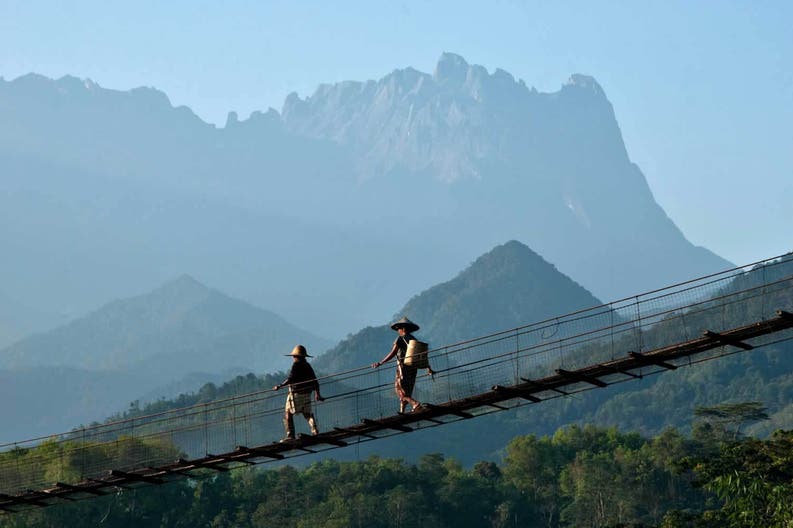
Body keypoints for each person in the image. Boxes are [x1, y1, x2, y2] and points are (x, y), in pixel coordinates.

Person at [372, 316, 434, 414]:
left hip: (403, 367)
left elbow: (392, 353)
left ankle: (415, 404)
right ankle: (402, 412)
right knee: (407, 390)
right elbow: (421, 355)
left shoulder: (400, 339)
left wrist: (380, 363)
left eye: (399, 329)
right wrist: (428, 368)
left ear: (403, 329)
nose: (398, 331)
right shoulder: (413, 339)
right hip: (413, 368)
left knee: (399, 390)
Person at [273, 345, 324, 441]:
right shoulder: (307, 365)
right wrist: (318, 394)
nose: (293, 358)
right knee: (307, 413)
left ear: (296, 356)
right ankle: (315, 429)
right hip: (307, 394)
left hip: (296, 394)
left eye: (294, 356)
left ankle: (290, 435)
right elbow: (315, 381)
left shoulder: (296, 365)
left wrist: (280, 386)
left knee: (288, 412)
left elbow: (290, 379)